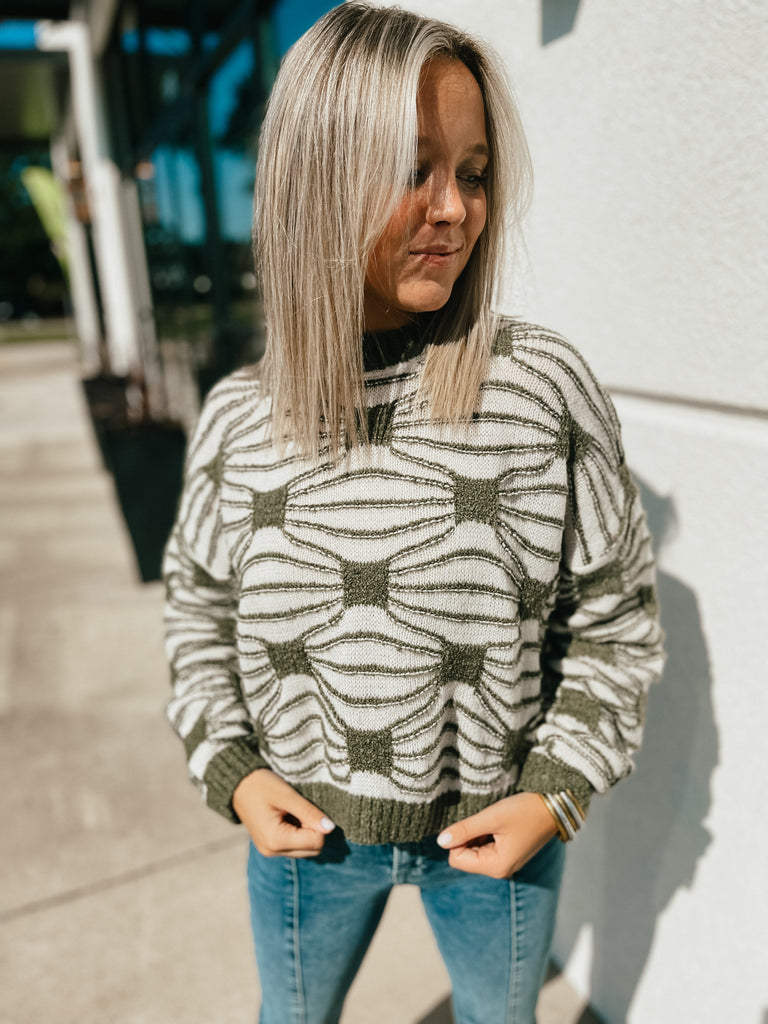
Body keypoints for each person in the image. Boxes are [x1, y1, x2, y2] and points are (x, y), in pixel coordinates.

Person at [162, 5, 665, 1023]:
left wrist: (554, 792)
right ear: (315, 177)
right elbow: (198, 611)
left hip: (491, 837)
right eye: (412, 167)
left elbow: (616, 621)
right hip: (305, 839)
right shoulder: (239, 419)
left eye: (473, 174)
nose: (455, 210)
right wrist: (234, 771)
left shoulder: (539, 390)